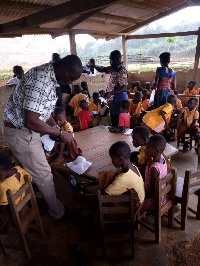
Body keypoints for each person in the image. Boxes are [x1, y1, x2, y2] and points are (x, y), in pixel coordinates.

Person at [2, 55, 83, 220]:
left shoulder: (49, 75)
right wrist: (60, 133)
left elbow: (43, 112)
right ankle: (57, 212)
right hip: (21, 132)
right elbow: (31, 120)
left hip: (20, 130)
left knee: (25, 167)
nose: (70, 83)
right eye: (71, 78)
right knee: (44, 173)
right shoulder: (41, 81)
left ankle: (25, 200)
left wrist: (55, 130)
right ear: (64, 69)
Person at [70, 141, 145, 204]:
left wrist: (81, 197)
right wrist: (87, 184)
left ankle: (80, 196)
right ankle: (82, 185)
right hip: (135, 198)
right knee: (109, 174)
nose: (111, 161)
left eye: (112, 158)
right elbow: (114, 178)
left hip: (133, 207)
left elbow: (103, 196)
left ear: (120, 158)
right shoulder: (131, 166)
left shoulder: (123, 178)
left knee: (100, 200)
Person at [91, 50, 128, 127]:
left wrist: (111, 93)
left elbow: (124, 87)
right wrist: (94, 66)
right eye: (110, 59)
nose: (110, 62)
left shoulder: (122, 71)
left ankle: (119, 137)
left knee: (117, 121)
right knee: (114, 119)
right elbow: (103, 69)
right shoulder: (114, 68)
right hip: (113, 98)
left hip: (119, 98)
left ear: (118, 59)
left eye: (112, 60)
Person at [0, 153, 32, 234]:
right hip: (25, 207)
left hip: (16, 216)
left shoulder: (3, 186)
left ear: (9, 170)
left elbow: (3, 205)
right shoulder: (18, 169)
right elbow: (30, 179)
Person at [142, 135, 167, 210]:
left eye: (148, 148)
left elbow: (153, 192)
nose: (145, 150)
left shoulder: (154, 169)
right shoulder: (162, 157)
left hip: (154, 201)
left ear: (156, 151)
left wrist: (141, 197)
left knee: (131, 202)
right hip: (162, 196)